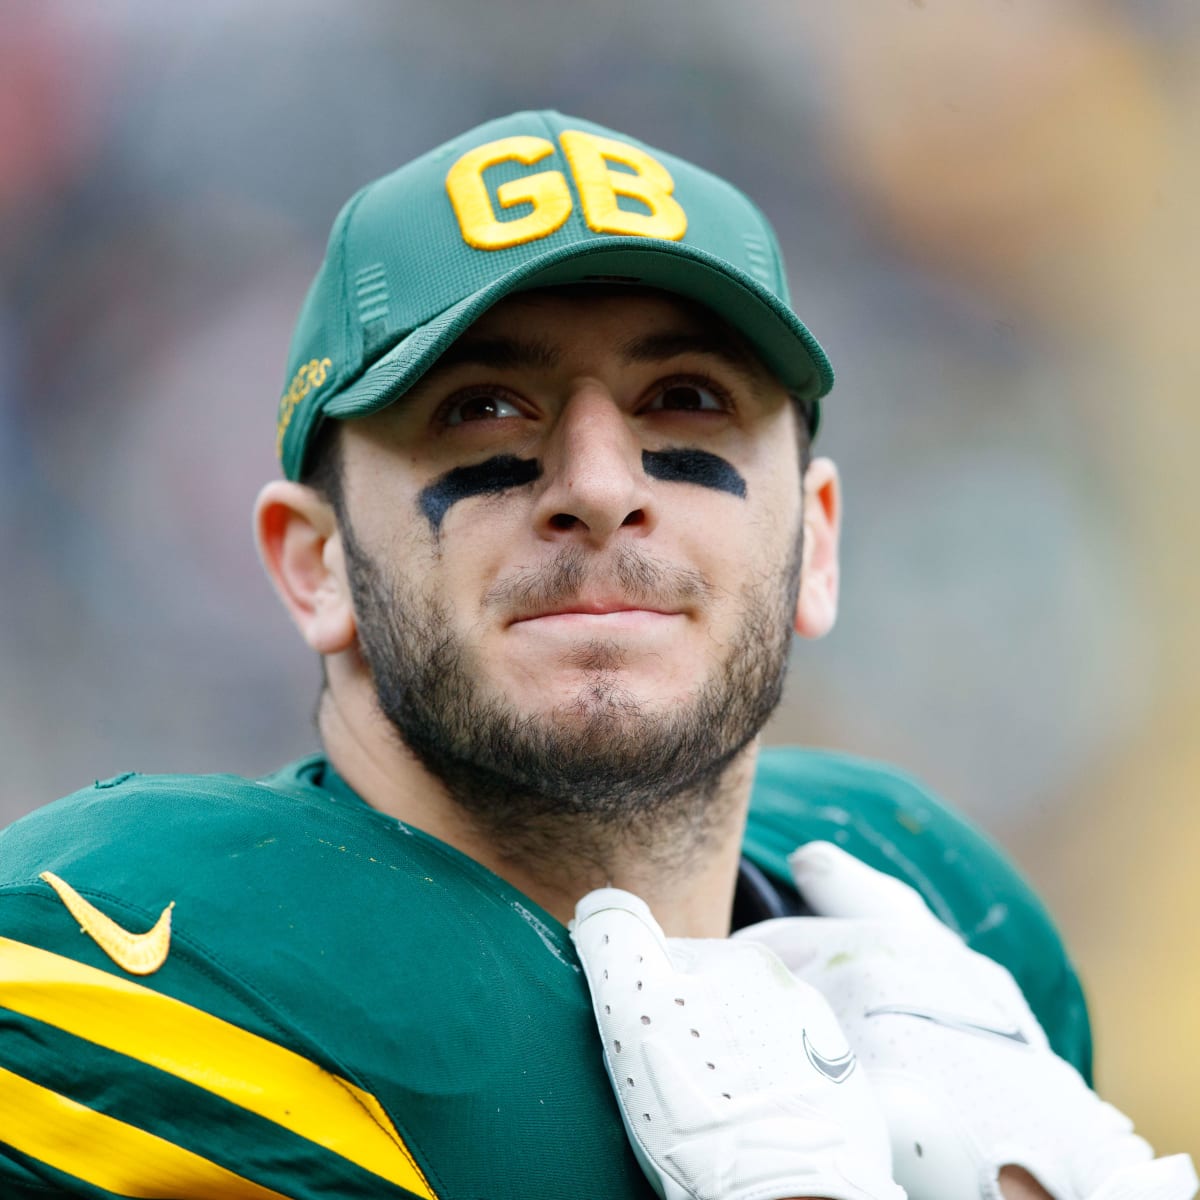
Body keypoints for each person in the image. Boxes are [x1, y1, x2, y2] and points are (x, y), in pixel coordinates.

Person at [0, 111, 1190, 1200]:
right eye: (481, 408)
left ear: (817, 544)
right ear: (314, 564)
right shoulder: (130, 952)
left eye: (686, 398)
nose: (602, 486)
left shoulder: (943, 921)